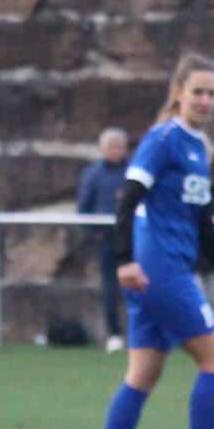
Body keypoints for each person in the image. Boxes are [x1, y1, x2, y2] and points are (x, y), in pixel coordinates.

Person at [84, 53, 214, 429]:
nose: (206, 100)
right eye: (198, 92)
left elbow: (202, 219)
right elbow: (128, 197)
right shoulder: (163, 140)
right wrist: (124, 259)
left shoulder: (198, 145)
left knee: (142, 374)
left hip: (159, 271)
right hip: (159, 271)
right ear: (178, 93)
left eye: (213, 93)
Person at [77, 127, 129, 352]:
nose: (116, 151)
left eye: (119, 147)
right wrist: (93, 232)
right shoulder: (94, 174)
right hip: (106, 238)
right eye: (111, 147)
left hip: (132, 237)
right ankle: (113, 333)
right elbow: (84, 206)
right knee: (110, 285)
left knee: (137, 285)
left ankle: (139, 332)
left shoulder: (133, 171)